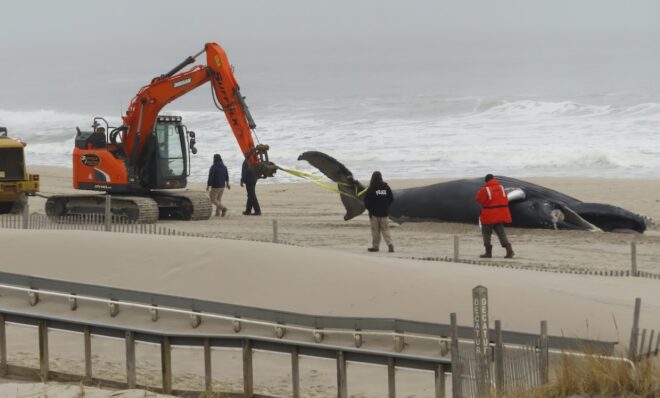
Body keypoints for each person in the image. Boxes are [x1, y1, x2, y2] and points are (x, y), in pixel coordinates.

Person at [475, 174, 514, 258]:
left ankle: (488, 253)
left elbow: (478, 199)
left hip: (489, 215)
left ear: (486, 181)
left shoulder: (486, 189)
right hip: (500, 214)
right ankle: (509, 250)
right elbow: (505, 199)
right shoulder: (502, 188)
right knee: (501, 233)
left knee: (486, 234)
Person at [363, 171, 394, 252]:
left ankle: (375, 247)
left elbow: (366, 201)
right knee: (385, 229)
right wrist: (386, 206)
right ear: (381, 177)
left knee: (375, 230)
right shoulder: (386, 186)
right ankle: (390, 244)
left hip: (374, 213)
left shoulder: (371, 187)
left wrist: (370, 209)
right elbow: (391, 198)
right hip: (384, 213)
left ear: (373, 178)